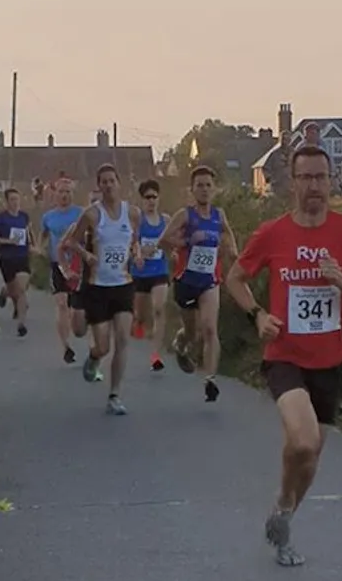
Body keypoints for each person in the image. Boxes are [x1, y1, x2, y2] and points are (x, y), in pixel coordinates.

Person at [224, 142, 342, 566]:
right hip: (285, 354)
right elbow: (235, 279)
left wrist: (340, 281)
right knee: (303, 440)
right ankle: (284, 508)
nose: (315, 186)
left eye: (321, 177)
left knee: (308, 458)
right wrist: (257, 315)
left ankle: (284, 512)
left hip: (331, 361)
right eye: (306, 177)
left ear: (332, 182)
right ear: (293, 184)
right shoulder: (273, 233)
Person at [57, 164, 141, 414]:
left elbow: (133, 240)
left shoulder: (133, 213)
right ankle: (94, 358)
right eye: (103, 181)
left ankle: (115, 395)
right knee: (103, 346)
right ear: (99, 186)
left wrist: (136, 254)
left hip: (123, 285)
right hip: (98, 286)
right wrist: (85, 255)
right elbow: (71, 241)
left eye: (111, 180)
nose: (108, 185)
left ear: (119, 183)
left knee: (123, 340)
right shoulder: (91, 215)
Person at [161, 165, 239, 404]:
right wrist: (184, 242)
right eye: (200, 185)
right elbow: (164, 240)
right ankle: (181, 344)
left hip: (209, 280)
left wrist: (233, 250)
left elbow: (227, 232)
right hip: (186, 280)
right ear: (192, 190)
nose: (204, 190)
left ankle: (210, 380)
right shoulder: (185, 215)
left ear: (213, 189)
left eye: (208, 185)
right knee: (192, 332)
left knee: (209, 329)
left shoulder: (219, 215)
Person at [38, 176, 88, 365]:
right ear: (55, 194)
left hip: (78, 265)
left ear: (72, 194)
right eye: (61, 192)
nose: (65, 195)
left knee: (76, 309)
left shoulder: (81, 213)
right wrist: (39, 247)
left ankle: (79, 329)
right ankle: (66, 346)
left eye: (68, 192)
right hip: (57, 264)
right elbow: (43, 235)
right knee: (61, 303)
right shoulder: (48, 217)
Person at [130, 177, 170, 372]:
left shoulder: (166, 221)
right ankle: (138, 322)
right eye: (147, 197)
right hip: (140, 273)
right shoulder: (138, 221)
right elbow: (134, 241)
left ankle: (156, 355)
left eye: (154, 197)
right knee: (141, 316)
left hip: (160, 271)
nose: (151, 201)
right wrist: (137, 255)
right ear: (142, 200)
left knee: (159, 309)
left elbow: (172, 241)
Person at [0, 186, 33, 336]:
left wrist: (33, 246)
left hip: (22, 257)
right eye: (12, 200)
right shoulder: (0, 218)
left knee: (21, 290)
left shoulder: (24, 216)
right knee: (14, 290)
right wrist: (8, 241)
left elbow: (28, 234)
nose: (16, 202)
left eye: (17, 199)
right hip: (7, 258)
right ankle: (5, 292)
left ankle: (21, 324)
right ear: (6, 202)